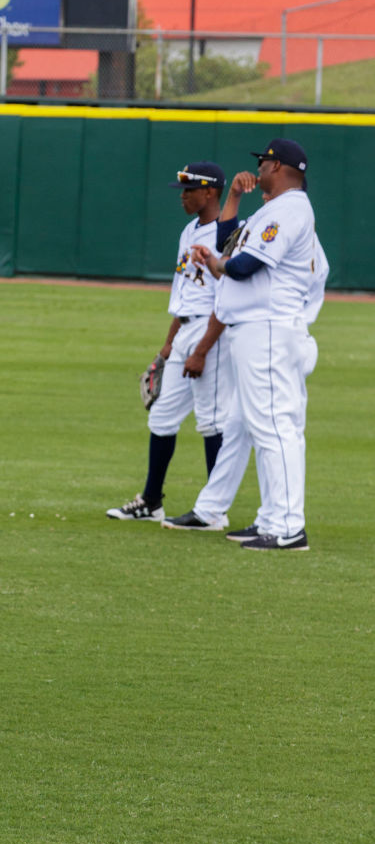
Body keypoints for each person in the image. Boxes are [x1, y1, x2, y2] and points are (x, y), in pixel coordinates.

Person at [165, 138, 325, 551]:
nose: (259, 168)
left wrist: (218, 265)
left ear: (277, 167)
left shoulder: (290, 209)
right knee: (240, 426)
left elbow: (241, 264)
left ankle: (288, 527)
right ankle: (262, 517)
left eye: (264, 161)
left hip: (269, 328)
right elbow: (229, 243)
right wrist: (233, 198)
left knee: (275, 426)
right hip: (257, 327)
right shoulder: (274, 210)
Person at [107, 162, 233, 522]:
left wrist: (202, 350)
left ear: (209, 192)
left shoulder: (228, 235)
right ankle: (151, 501)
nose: (183, 196)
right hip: (186, 331)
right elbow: (184, 293)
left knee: (211, 421)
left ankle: (214, 511)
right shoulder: (188, 230)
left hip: (211, 334)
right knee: (161, 417)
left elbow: (226, 300)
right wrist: (169, 344)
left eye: (189, 189)